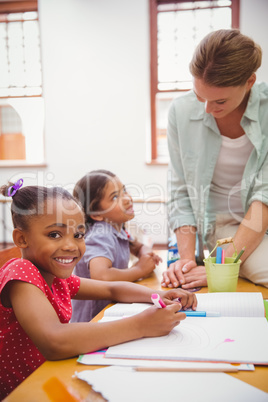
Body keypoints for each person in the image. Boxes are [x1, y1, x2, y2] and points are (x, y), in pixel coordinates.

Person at [0, 179, 196, 399]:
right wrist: (142, 325)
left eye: (78, 235)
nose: (71, 245)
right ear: (21, 238)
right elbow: (54, 340)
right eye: (55, 234)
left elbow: (112, 289)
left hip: (53, 378)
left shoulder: (56, 279)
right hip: (24, 391)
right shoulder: (21, 273)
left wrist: (157, 295)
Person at [161, 29, 268, 290]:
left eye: (219, 100)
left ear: (250, 81)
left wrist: (223, 268)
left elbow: (264, 195)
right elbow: (180, 190)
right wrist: (187, 262)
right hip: (226, 224)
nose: (207, 109)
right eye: (200, 97)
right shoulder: (180, 112)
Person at [71, 169, 162, 322]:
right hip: (92, 321)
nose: (126, 199)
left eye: (124, 190)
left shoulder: (116, 228)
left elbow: (138, 246)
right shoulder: (101, 234)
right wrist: (139, 269)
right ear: (97, 214)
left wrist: (146, 254)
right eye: (115, 197)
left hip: (110, 311)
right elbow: (101, 276)